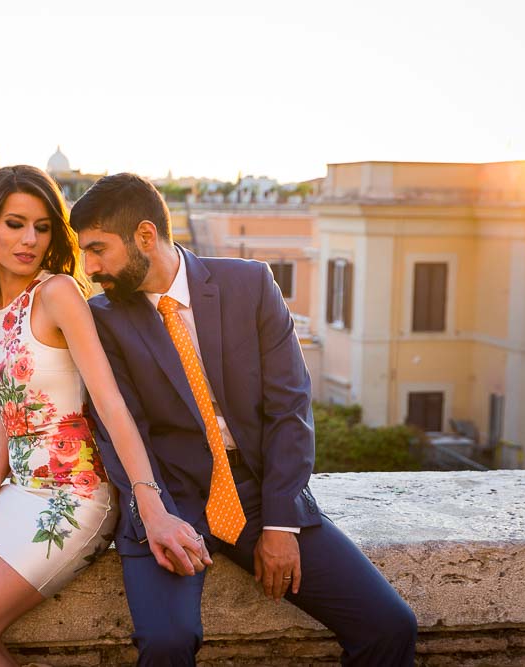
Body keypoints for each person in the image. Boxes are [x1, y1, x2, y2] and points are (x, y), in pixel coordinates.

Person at [69, 173, 418, 666]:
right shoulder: (102, 317)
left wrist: (281, 522)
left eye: (98, 249)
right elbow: (119, 429)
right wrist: (157, 514)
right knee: (168, 642)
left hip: (259, 491)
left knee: (389, 625)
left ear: (145, 236)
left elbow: (289, 406)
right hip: (169, 498)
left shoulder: (249, 284)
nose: (91, 266)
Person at [0, 166, 208, 666]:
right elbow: (12, 403)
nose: (29, 239)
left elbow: (110, 402)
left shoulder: (57, 292)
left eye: (42, 227)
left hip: (77, 497)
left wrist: (151, 505)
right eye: (15, 224)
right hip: (21, 490)